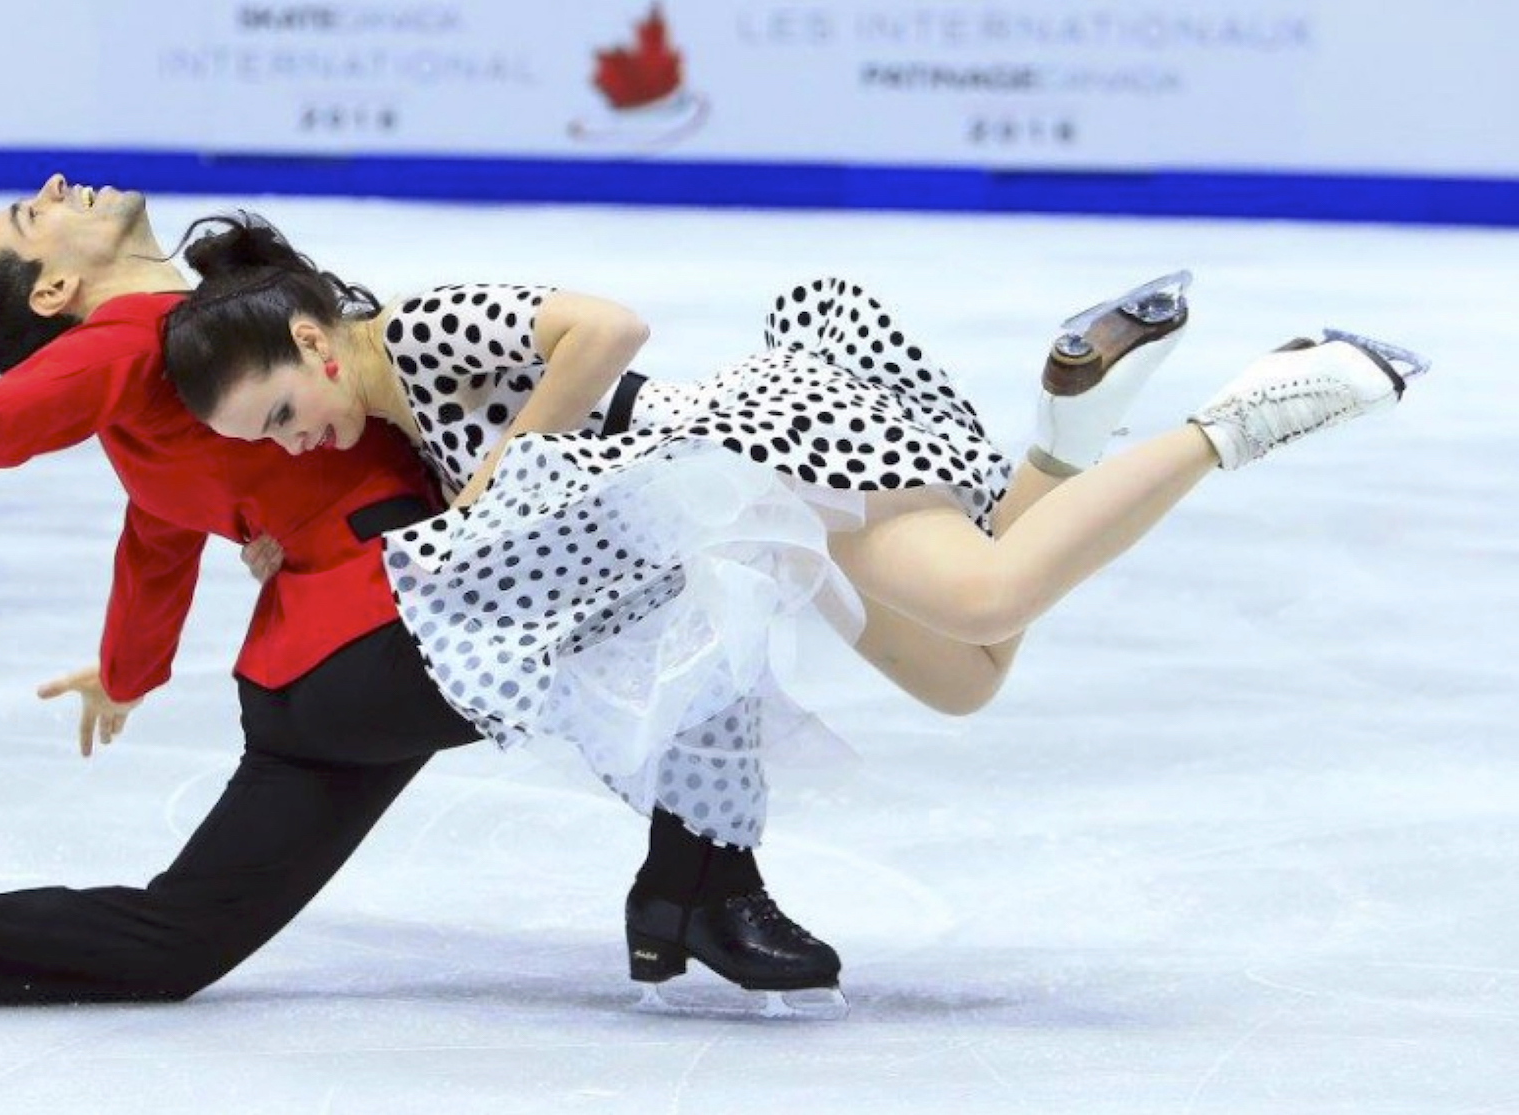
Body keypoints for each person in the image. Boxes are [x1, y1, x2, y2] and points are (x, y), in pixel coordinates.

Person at [0, 176, 838, 1031]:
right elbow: (42, 392)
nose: (57, 186)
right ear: (60, 283)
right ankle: (696, 891)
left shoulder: (179, 383)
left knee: (177, 937)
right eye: (32, 214)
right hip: (401, 629)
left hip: (315, 683)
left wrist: (126, 669)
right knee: (695, 573)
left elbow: (155, 534)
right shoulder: (128, 336)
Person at [162, 217, 1423, 860]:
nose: (291, 442)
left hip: (751, 447)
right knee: (963, 676)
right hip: (727, 516)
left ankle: (1253, 408)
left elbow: (605, 327)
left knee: (984, 596)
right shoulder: (384, 410)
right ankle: (1068, 424)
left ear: (316, 343)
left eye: (280, 411)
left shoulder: (426, 329)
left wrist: (514, 456)